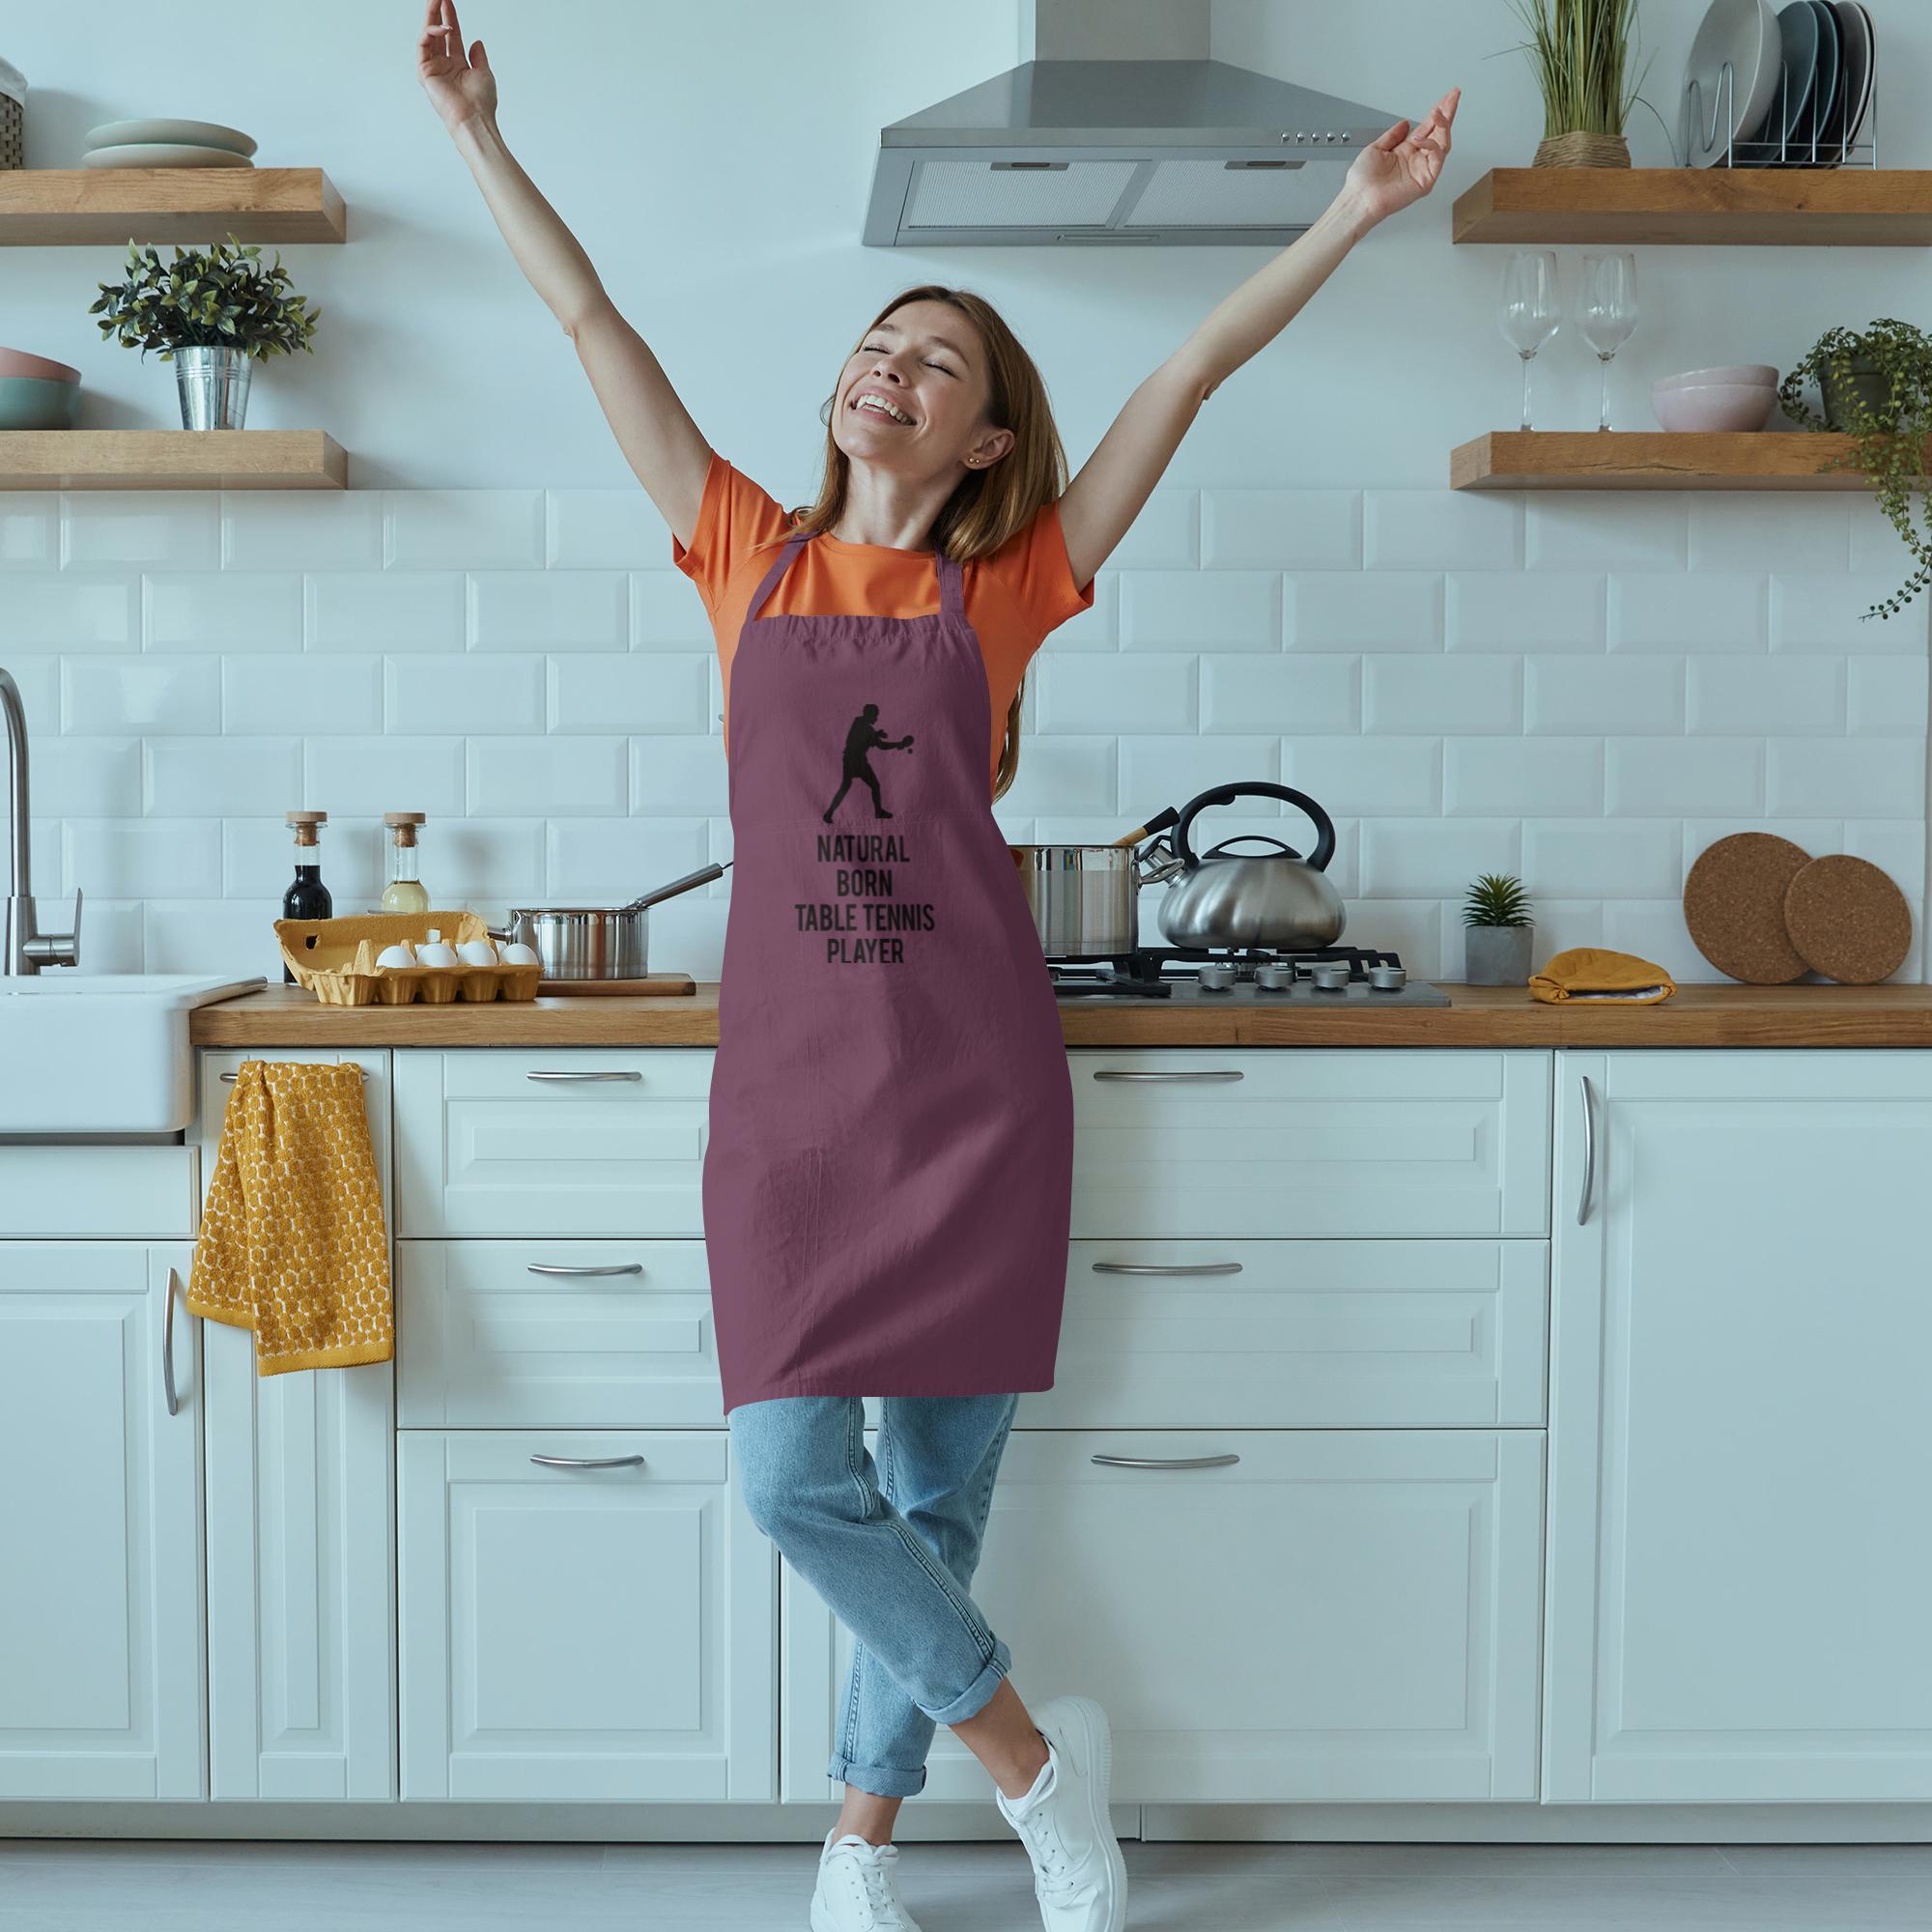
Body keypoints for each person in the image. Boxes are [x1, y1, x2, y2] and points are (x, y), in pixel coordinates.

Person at [418, 9, 1457, 1927]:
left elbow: (1195, 370)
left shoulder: (1012, 584)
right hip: (793, 1115)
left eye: (938, 359)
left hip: (973, 1097)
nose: (888, 364)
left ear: (985, 435)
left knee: (934, 1510)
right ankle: (1040, 1770)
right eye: (877, 340)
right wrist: (483, 132)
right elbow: (591, 329)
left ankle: (860, 1850)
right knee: (795, 1487)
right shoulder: (745, 553)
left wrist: (1349, 213)